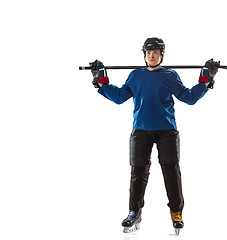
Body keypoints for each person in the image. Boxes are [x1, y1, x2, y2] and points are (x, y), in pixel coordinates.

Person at [90, 37, 219, 233]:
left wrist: (205, 80)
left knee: (171, 172)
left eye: (156, 52)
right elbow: (119, 97)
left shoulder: (170, 75)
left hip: (167, 131)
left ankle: (176, 212)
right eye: (148, 52)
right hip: (141, 130)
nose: (152, 55)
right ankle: (134, 211)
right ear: (144, 55)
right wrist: (101, 80)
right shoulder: (135, 76)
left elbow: (188, 98)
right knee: (138, 173)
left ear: (162, 56)